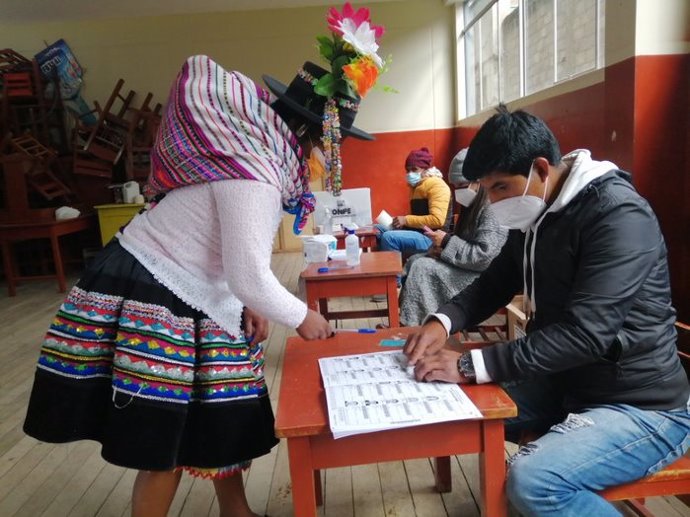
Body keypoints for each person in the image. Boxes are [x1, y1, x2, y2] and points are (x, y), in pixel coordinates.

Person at [23, 7, 389, 513]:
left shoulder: (249, 149)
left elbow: (240, 259)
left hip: (193, 287)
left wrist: (251, 303)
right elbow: (248, 272)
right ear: (314, 138)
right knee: (166, 441)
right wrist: (304, 317)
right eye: (331, 147)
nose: (325, 159)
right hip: (158, 285)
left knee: (221, 409)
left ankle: (236, 511)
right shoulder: (256, 173)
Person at [403, 105, 690, 517]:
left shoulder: (617, 215)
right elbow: (496, 280)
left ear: (540, 168)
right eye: (488, 190)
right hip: (568, 383)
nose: (494, 201)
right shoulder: (537, 211)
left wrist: (470, 364)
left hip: (641, 404)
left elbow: (587, 334)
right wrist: (441, 320)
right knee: (453, 409)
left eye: (501, 187)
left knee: (535, 482)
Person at [398, 148, 507, 326]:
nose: (458, 192)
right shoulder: (472, 204)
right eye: (455, 187)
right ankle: (409, 320)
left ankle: (414, 326)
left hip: (481, 275)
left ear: (479, 181)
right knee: (415, 260)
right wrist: (439, 250)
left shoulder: (490, 208)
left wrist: (447, 241)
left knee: (422, 268)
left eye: (462, 186)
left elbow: (486, 257)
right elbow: (463, 240)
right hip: (468, 267)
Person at [376, 147, 452, 256]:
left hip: (432, 237)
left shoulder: (437, 185)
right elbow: (417, 218)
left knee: (389, 238)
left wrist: (406, 220)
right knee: (377, 229)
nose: (410, 173)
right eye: (407, 170)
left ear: (425, 169)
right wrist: (400, 223)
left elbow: (437, 220)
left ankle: (394, 273)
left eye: (414, 169)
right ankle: (379, 268)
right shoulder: (416, 187)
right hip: (419, 232)